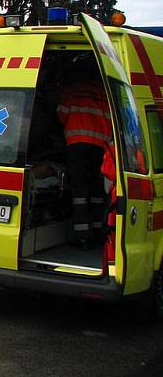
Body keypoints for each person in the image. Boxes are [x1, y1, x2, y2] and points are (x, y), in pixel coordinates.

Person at [56, 65, 112, 249]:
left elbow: (62, 114)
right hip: (99, 147)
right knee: (96, 189)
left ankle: (82, 236)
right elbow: (112, 121)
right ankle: (98, 231)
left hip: (76, 144)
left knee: (79, 191)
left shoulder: (72, 90)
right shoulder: (103, 93)